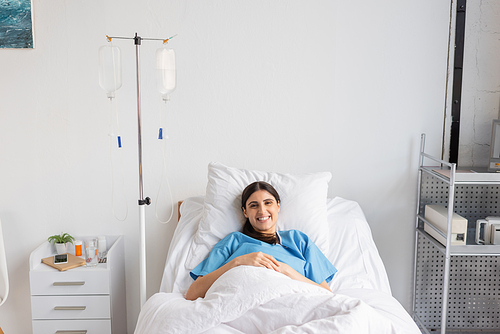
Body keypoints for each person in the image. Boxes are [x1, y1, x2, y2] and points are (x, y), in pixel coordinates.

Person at [185, 181, 337, 301]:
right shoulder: (233, 241)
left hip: (292, 302)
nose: (262, 211)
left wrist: (285, 270)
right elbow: (193, 293)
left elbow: (326, 294)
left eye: (268, 203)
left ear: (278, 205)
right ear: (245, 211)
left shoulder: (298, 240)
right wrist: (238, 262)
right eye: (253, 205)